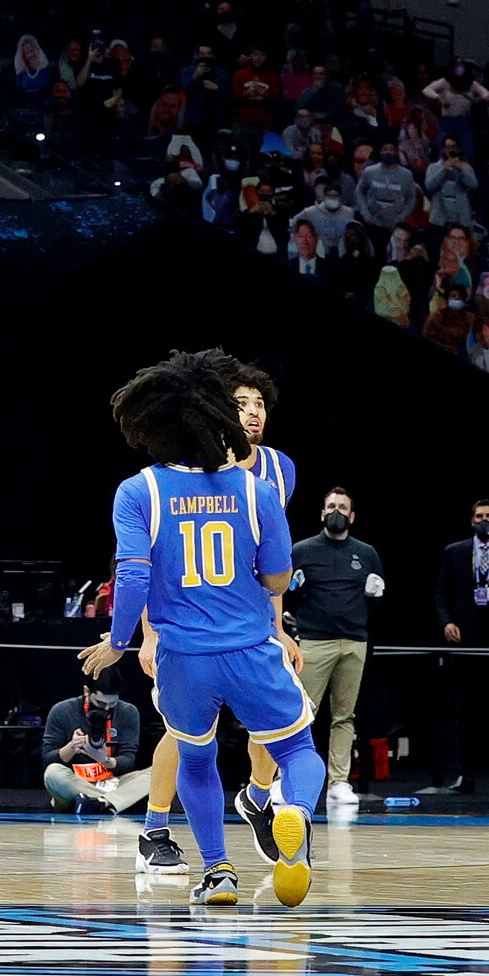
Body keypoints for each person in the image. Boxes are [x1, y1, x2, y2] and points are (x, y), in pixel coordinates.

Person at [81, 351, 327, 909]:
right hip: (250, 645)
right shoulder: (256, 489)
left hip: (183, 656)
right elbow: (277, 575)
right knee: (297, 749)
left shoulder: (137, 490)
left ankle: (218, 872)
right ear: (219, 422)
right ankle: (295, 814)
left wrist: (118, 641)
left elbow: (133, 574)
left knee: (196, 757)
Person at [137, 356, 301, 870]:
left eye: (258, 404)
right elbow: (146, 563)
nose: (252, 413)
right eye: (240, 404)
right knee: (184, 733)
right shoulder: (171, 470)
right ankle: (154, 830)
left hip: (246, 614)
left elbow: (268, 559)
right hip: (185, 614)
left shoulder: (278, 469)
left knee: (277, 722)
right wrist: (148, 635)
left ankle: (256, 797)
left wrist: (278, 629)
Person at [287, 487, 384, 806]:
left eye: (343, 507)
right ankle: (287, 778)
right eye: (331, 506)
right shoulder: (302, 550)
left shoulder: (366, 552)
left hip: (354, 641)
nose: (337, 511)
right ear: (321, 513)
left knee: (345, 715)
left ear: (352, 516)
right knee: (302, 713)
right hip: (314, 641)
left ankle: (339, 781)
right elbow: (282, 591)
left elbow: (378, 596)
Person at [428, 499, 489, 796]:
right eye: (479, 516)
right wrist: (447, 622)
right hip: (466, 643)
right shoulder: (455, 552)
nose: (485, 520)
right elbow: (441, 592)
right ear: (472, 521)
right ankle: (465, 774)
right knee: (465, 713)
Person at [42, 672, 146, 815]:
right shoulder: (62, 710)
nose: (106, 709)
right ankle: (112, 803)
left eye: (112, 704)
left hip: (114, 783)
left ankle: (98, 803)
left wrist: (105, 759)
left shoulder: (128, 712)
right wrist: (71, 747)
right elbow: (48, 759)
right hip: (75, 784)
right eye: (101, 703)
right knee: (52, 774)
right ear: (87, 692)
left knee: (162, 772)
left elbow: (128, 760)